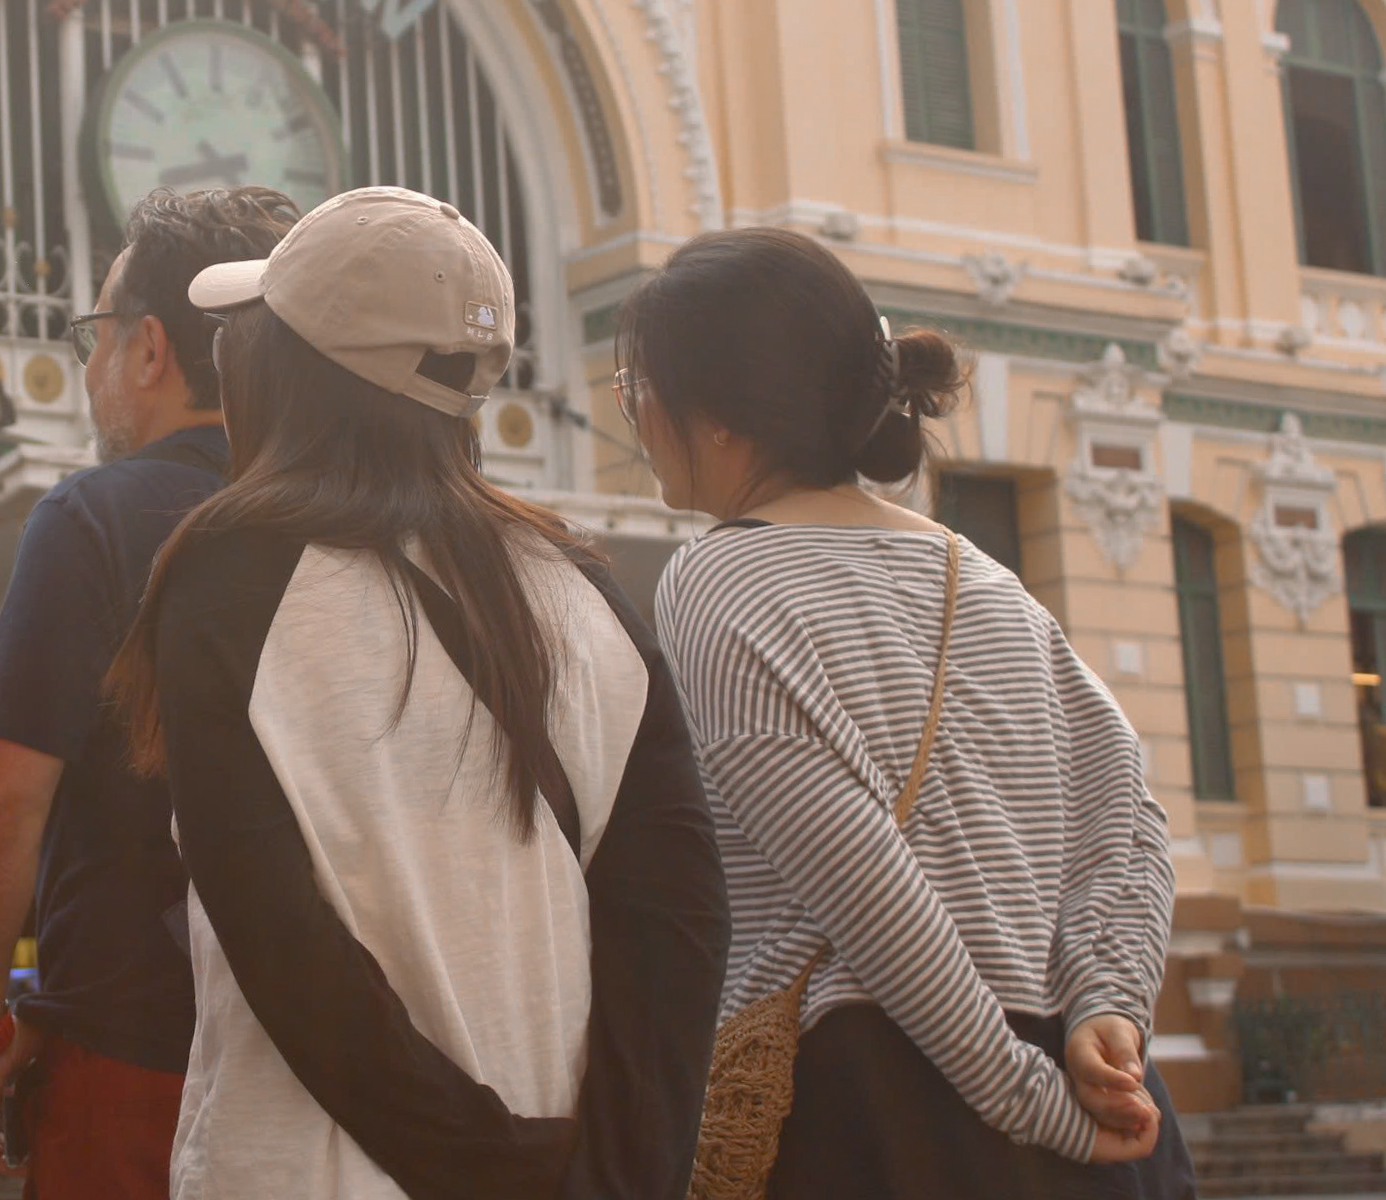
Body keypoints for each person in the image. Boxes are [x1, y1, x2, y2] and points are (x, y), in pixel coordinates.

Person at [107, 186, 729, 1200]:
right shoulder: (583, 593)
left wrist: (474, 1163)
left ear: (286, 367)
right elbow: (679, 925)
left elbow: (284, 949)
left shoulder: (230, 574)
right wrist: (603, 1173)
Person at [627, 227, 1194, 1198]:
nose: (635, 413)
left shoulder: (717, 578)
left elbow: (866, 887)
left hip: (887, 1119)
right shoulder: (982, 576)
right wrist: (1110, 1003)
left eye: (642, 385)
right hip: (1099, 1107)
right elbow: (1130, 820)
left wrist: (1028, 1105)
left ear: (719, 419)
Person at [0, 186, 298, 1197]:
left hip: (137, 1065)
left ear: (149, 348)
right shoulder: (359, 521)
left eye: (95, 334)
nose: (89, 369)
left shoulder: (95, 518)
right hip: (336, 1072)